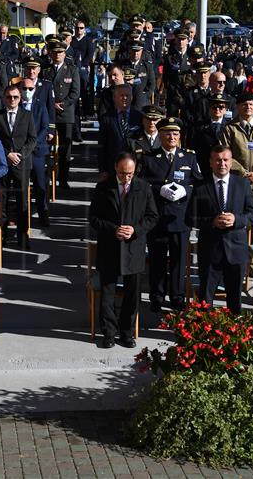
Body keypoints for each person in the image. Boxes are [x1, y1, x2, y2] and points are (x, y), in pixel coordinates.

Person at [88, 152, 158, 348]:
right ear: (115, 169)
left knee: (132, 294)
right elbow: (93, 218)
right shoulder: (103, 187)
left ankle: (127, 332)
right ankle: (109, 333)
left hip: (133, 248)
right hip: (109, 247)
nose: (126, 178)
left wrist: (135, 230)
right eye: (122, 174)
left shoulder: (143, 187)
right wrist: (113, 229)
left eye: (129, 174)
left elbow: (152, 216)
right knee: (108, 293)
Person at [187, 145, 253, 314]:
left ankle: (234, 334)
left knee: (234, 299)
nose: (222, 164)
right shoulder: (200, 186)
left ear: (231, 162)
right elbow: (189, 217)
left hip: (236, 249)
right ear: (211, 162)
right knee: (206, 298)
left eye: (226, 160)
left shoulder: (242, 184)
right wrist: (212, 222)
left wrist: (236, 219)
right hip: (210, 250)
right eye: (218, 160)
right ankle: (204, 333)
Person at [140, 118, 202, 312]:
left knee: (179, 260)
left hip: (180, 218)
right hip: (157, 216)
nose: (171, 137)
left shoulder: (189, 157)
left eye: (175, 133)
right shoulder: (149, 157)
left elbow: (198, 183)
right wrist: (159, 189)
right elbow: (141, 184)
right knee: (157, 260)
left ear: (180, 136)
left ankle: (177, 296)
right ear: (160, 135)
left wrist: (186, 191)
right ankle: (157, 296)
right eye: (167, 133)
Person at [0, 85, 38, 247]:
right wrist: (6, 154)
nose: (12, 100)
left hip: (21, 164)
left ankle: (23, 237)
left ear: (20, 99)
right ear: (4, 98)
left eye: (15, 97)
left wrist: (20, 155)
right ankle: (1, 236)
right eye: (9, 97)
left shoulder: (27, 115)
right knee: (1, 200)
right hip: (2, 163)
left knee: (22, 201)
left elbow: (32, 139)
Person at [219, 92, 253, 208]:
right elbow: (224, 154)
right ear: (238, 107)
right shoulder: (229, 128)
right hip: (237, 182)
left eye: (251, 104)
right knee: (238, 217)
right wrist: (243, 173)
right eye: (244, 104)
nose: (248, 107)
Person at [42, 41, 80, 189]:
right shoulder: (45, 70)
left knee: (65, 149)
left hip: (65, 113)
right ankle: (46, 177)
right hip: (49, 113)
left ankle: (63, 179)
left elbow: (75, 92)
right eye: (55, 52)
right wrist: (52, 105)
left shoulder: (72, 69)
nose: (58, 55)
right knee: (45, 146)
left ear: (65, 53)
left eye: (60, 52)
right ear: (50, 53)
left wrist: (62, 104)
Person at [20, 76, 52, 227]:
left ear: (35, 90)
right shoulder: (16, 105)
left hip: (37, 151)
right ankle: (22, 216)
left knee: (40, 185)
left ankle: (43, 213)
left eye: (30, 89)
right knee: (22, 186)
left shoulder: (40, 106)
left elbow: (45, 127)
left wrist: (32, 144)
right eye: (24, 88)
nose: (27, 91)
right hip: (21, 152)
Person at [98, 84, 143, 178]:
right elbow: (102, 146)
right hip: (113, 167)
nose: (124, 98)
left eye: (127, 95)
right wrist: (103, 170)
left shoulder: (139, 117)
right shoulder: (107, 118)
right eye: (121, 95)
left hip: (134, 167)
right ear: (114, 98)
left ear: (132, 97)